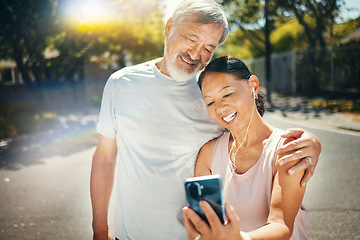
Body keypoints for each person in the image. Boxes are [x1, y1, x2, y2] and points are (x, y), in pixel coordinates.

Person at [90, 1, 321, 239]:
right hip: (130, 234)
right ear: (169, 27)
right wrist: (99, 229)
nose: (195, 54)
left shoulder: (210, 91)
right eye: (191, 39)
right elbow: (104, 158)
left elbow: (252, 130)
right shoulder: (121, 84)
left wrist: (311, 141)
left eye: (208, 48)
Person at [182, 56, 311, 240]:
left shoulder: (288, 149)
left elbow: (281, 226)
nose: (220, 108)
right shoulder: (209, 154)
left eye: (227, 94)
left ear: (254, 86)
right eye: (210, 102)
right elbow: (207, 224)